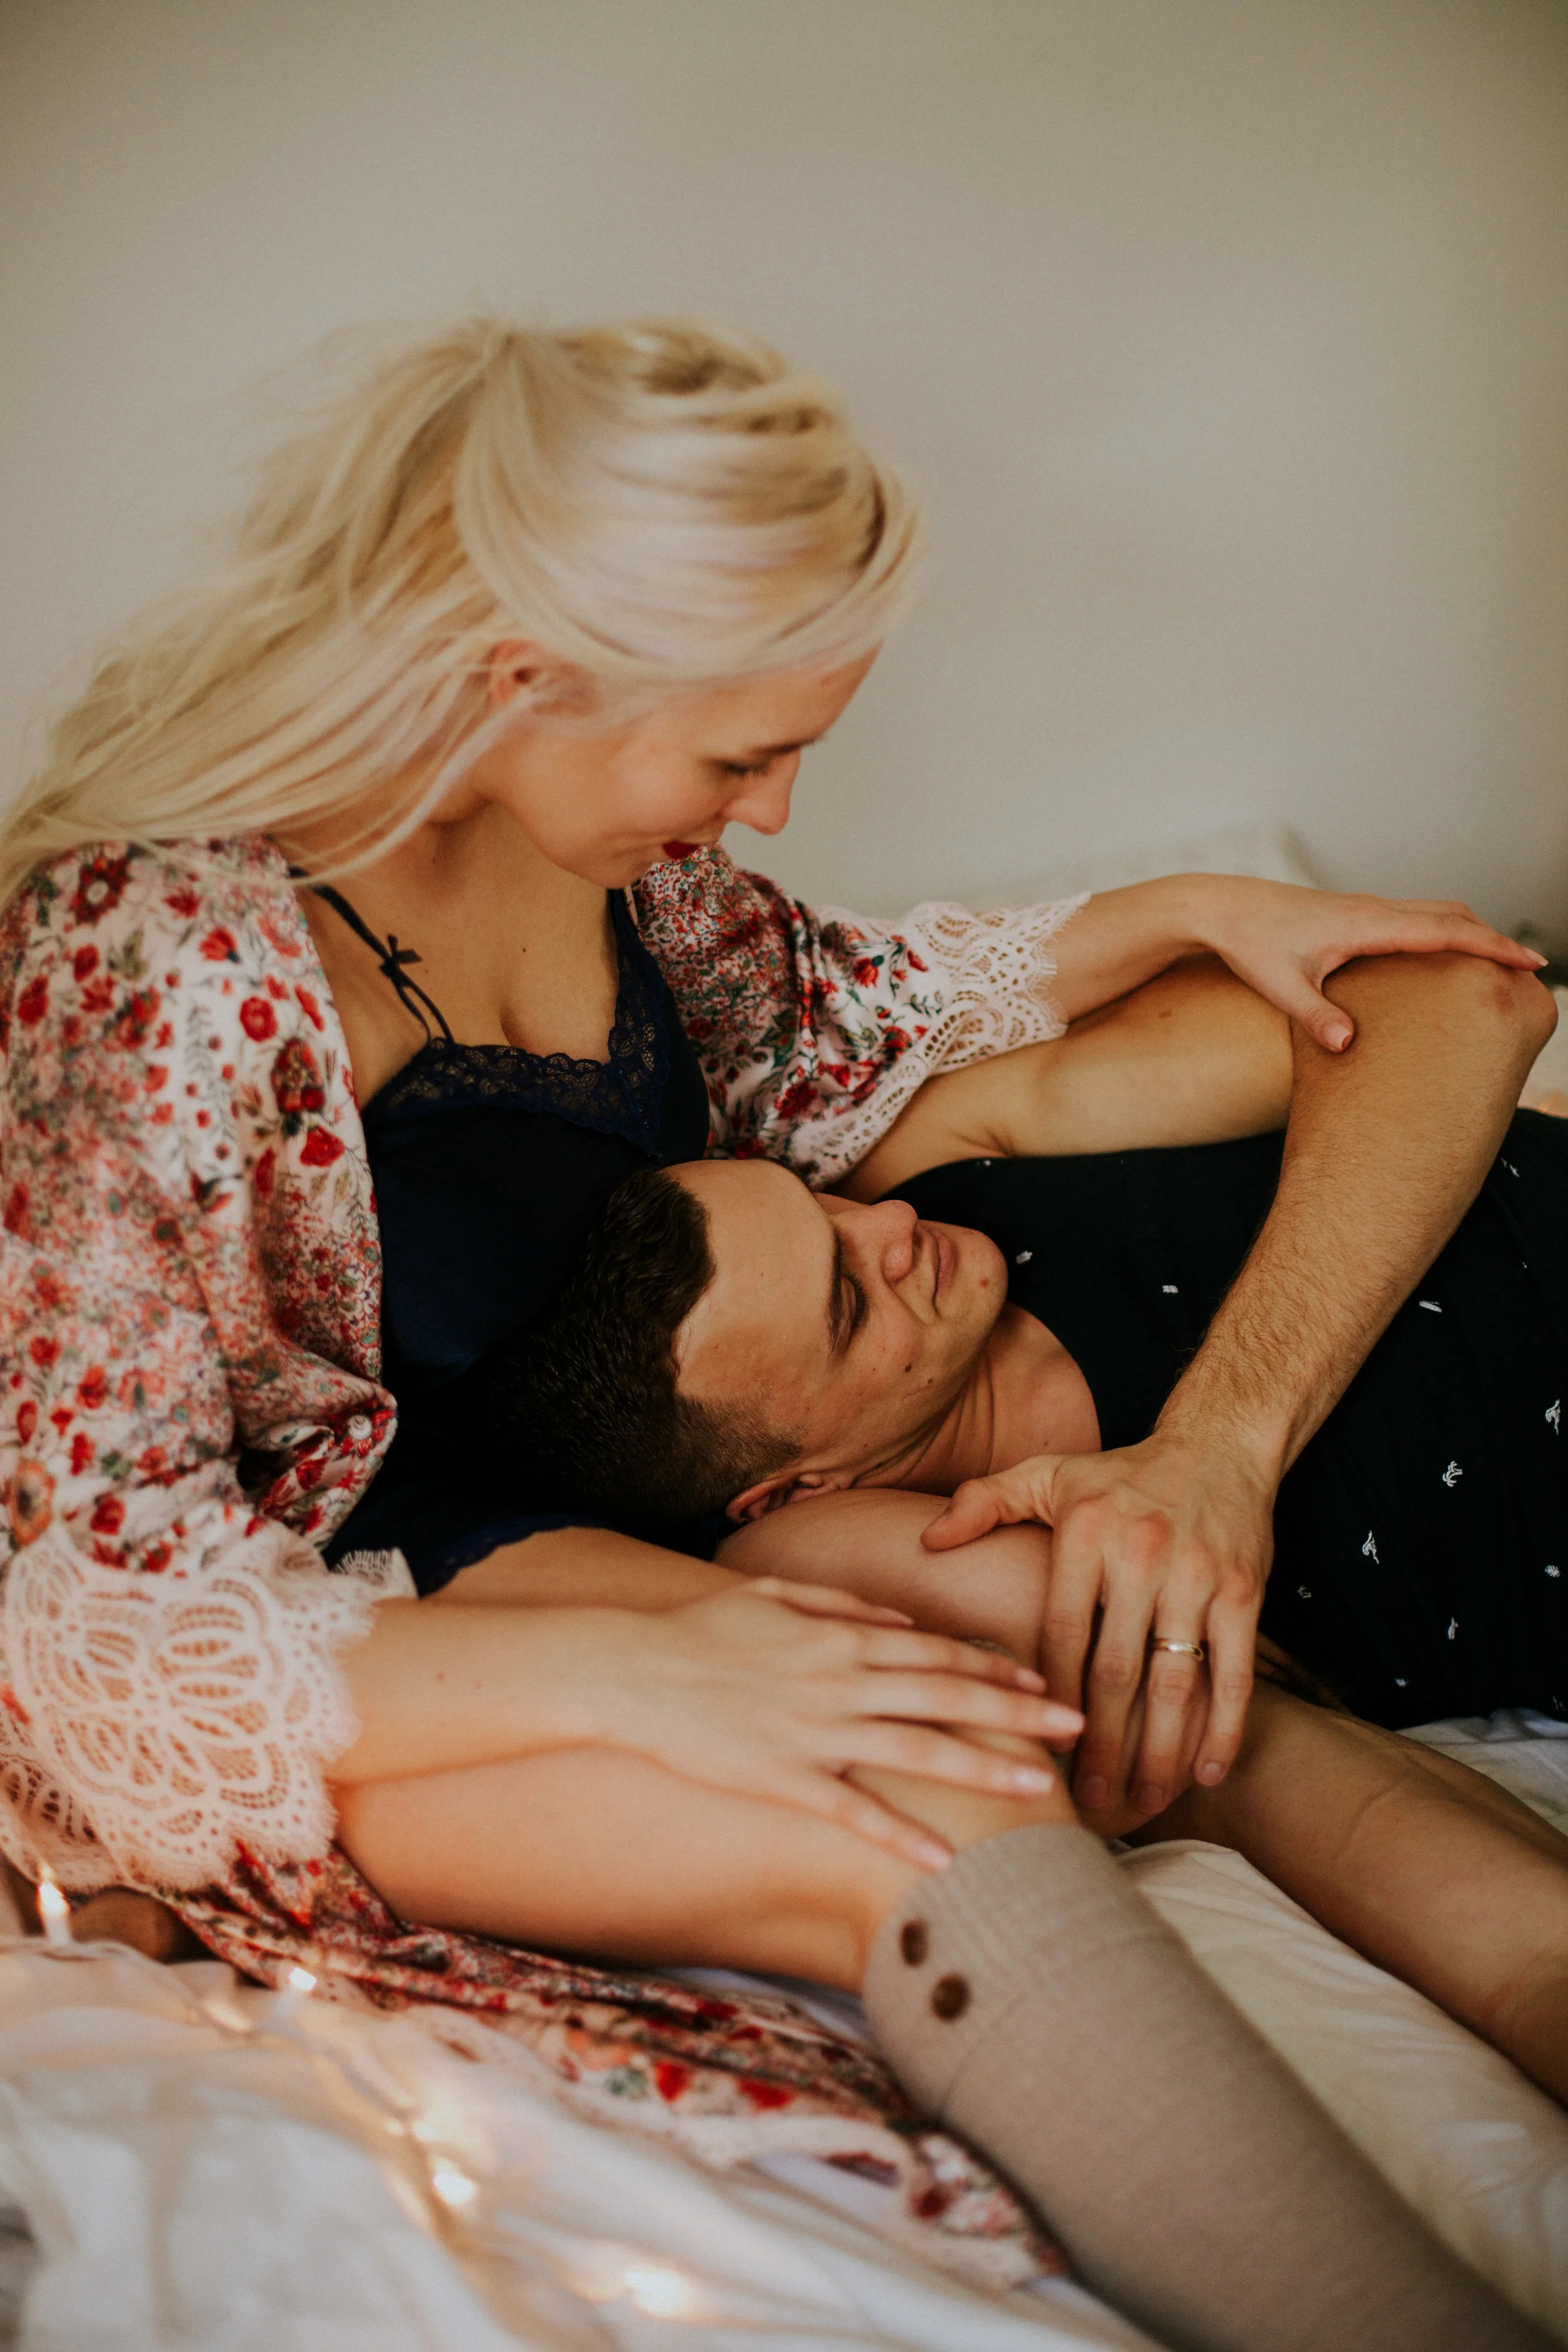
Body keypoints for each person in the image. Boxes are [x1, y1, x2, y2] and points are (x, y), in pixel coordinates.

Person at [0, 316, 1549, 2348]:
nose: (779, 805)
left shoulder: (630, 875)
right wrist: (651, 1672)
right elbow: (87, 1603)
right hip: (313, 1624)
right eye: (738, 756)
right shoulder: (147, 957)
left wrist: (1184, 910)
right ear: (517, 675)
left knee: (992, 1700)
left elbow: (823, 1018)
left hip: (599, 1521)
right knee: (912, 1763)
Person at [491, 956, 1568, 2104]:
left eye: (823, 1205)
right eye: (849, 1306)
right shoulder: (862, 1551)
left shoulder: (942, 1164)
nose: (891, 1225)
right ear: (797, 1487)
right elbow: (1248, 1768)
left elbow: (1461, 1001)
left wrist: (1219, 1441)